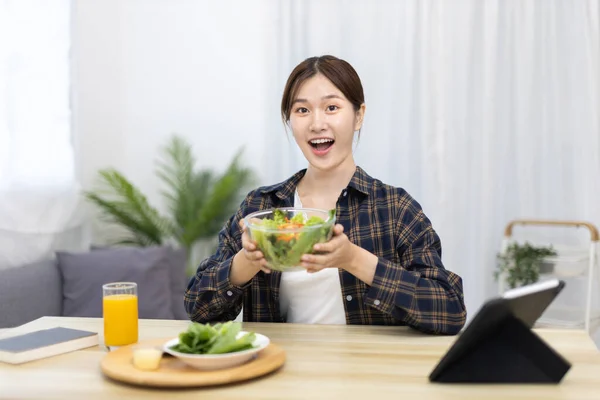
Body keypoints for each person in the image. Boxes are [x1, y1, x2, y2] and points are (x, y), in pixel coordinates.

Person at [184, 55, 467, 335]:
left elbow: (450, 310)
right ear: (289, 120)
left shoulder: (395, 208)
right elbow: (197, 307)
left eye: (331, 107)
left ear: (359, 116)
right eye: (302, 110)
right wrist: (247, 261)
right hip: (279, 374)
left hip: (366, 376)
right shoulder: (261, 208)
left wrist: (352, 259)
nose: (316, 123)